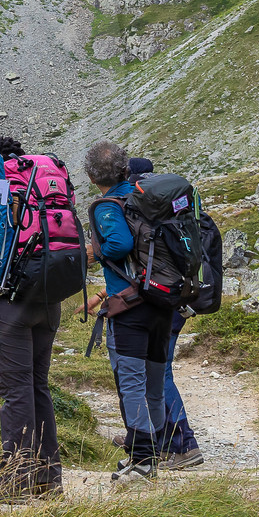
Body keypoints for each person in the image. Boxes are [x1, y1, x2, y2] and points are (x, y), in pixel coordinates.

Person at [83, 140, 168, 486]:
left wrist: (95, 251)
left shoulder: (108, 206)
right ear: (125, 169)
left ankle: (143, 462)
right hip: (162, 301)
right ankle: (151, 452)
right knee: (155, 384)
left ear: (92, 176)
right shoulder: (146, 196)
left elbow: (120, 244)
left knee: (130, 383)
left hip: (129, 305)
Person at [0, 135, 63, 499]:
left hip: (15, 298)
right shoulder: (49, 180)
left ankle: (17, 480)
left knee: (15, 389)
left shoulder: (4, 182)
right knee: (38, 386)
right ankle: (50, 480)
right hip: (51, 297)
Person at [125, 157, 204, 471]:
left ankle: (183, 445)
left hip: (161, 298)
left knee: (158, 375)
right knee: (156, 373)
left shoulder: (144, 205)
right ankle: (152, 437)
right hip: (182, 294)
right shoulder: (175, 202)